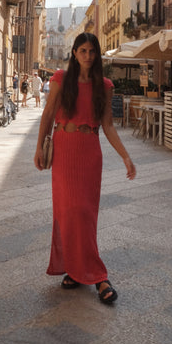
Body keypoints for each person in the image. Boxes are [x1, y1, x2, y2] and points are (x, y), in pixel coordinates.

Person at [34, 32, 136, 305]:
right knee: (67, 213)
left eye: (92, 51)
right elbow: (47, 114)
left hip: (89, 151)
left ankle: (98, 275)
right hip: (64, 149)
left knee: (85, 214)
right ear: (75, 53)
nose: (88, 56)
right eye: (83, 51)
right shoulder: (60, 80)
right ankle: (76, 270)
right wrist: (38, 148)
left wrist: (126, 157)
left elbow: (109, 125)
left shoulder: (105, 85)